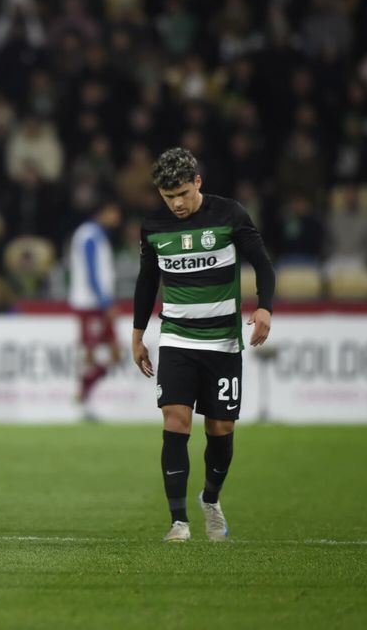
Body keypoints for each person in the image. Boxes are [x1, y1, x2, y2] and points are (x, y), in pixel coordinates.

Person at [132, 147, 275, 544]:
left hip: (224, 344)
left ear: (198, 182)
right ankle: (179, 522)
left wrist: (265, 309)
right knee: (175, 423)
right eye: (167, 196)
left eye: (181, 193)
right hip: (177, 339)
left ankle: (210, 500)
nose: (176, 204)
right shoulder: (154, 226)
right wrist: (137, 334)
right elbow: (147, 282)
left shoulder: (229, 215)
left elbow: (262, 263)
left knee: (220, 428)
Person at [68, 199, 124, 412]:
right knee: (91, 354)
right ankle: (85, 404)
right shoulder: (89, 235)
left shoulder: (98, 235)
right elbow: (92, 273)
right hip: (90, 304)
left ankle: (84, 390)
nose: (117, 218)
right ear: (104, 211)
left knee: (115, 353)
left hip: (97, 303)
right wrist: (105, 302)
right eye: (114, 212)